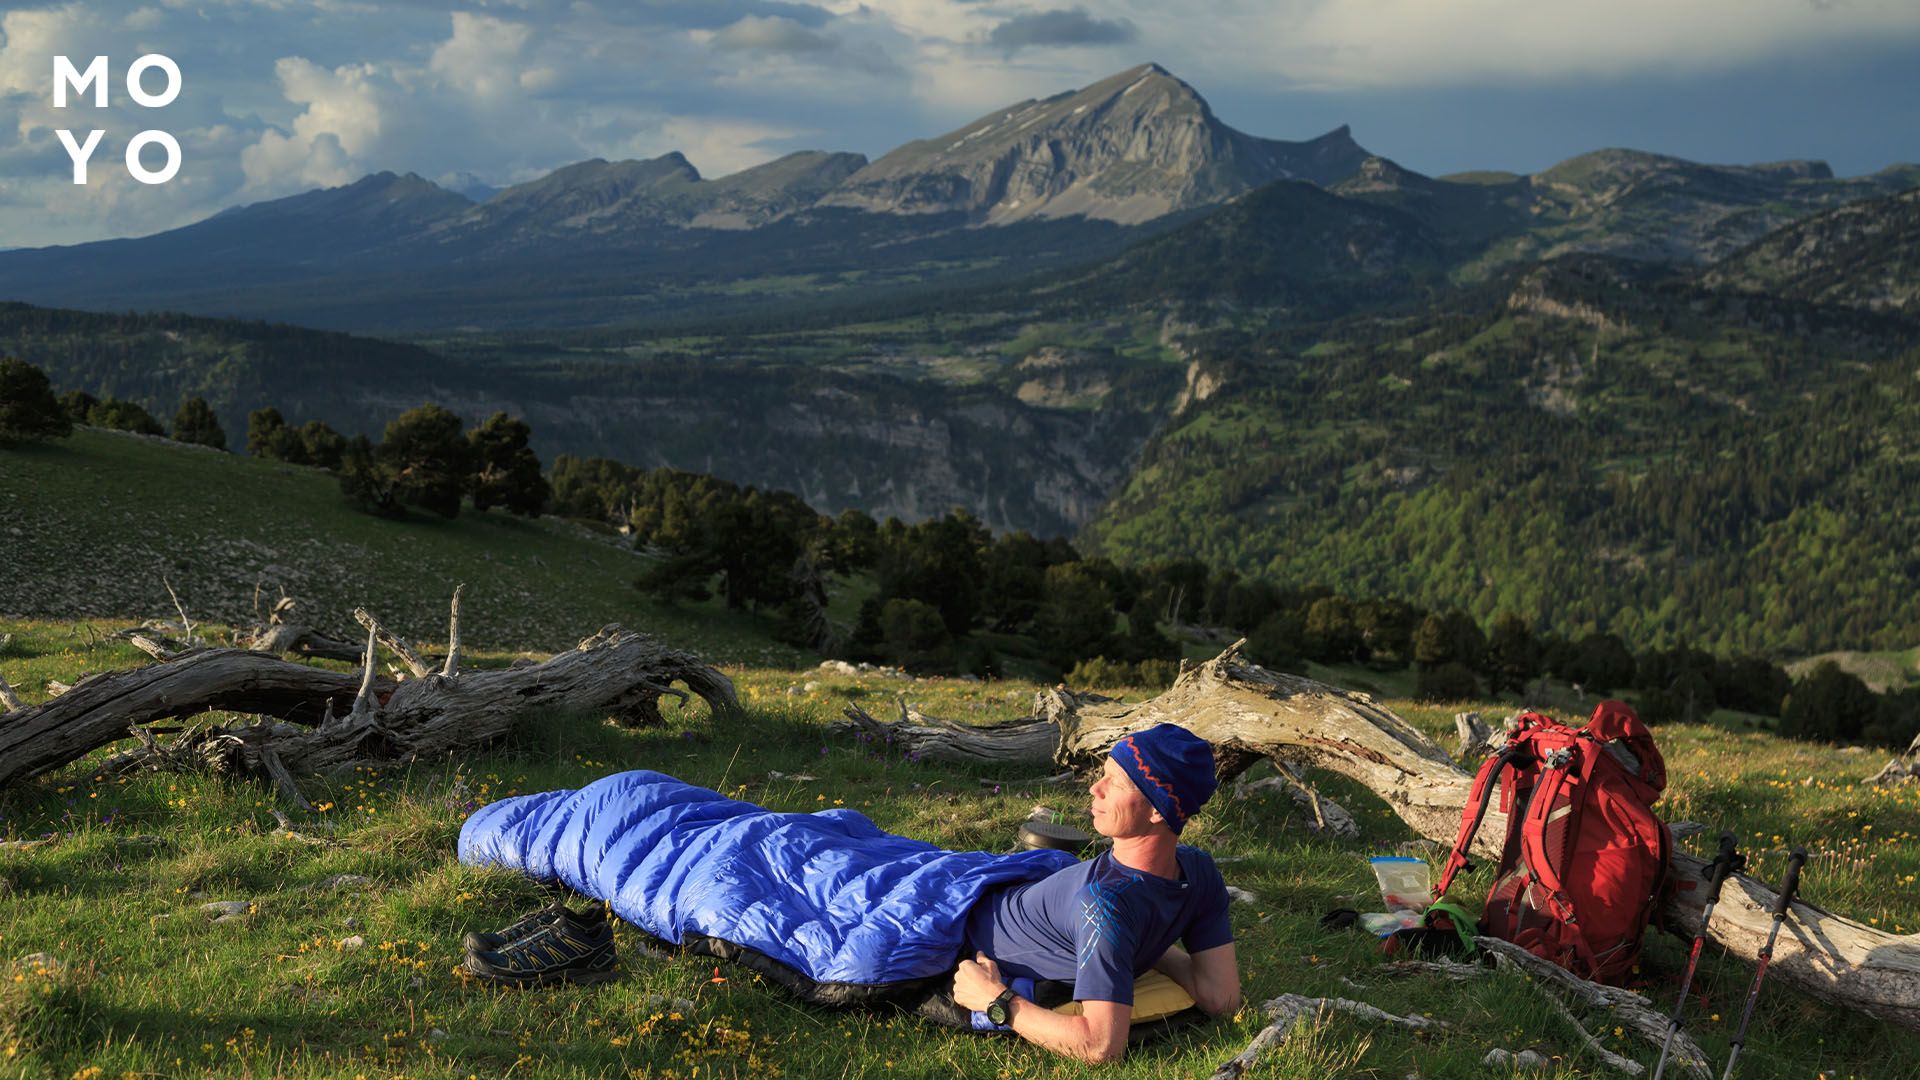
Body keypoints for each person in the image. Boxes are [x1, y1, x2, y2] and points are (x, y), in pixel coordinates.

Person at [950, 722, 1242, 1063]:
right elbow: (1102, 1046)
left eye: (1115, 782)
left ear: (1157, 811)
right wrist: (996, 997)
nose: (1094, 788)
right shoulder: (1110, 902)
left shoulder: (1194, 876)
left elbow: (1102, 1046)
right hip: (972, 922)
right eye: (1103, 775)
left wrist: (997, 1000)